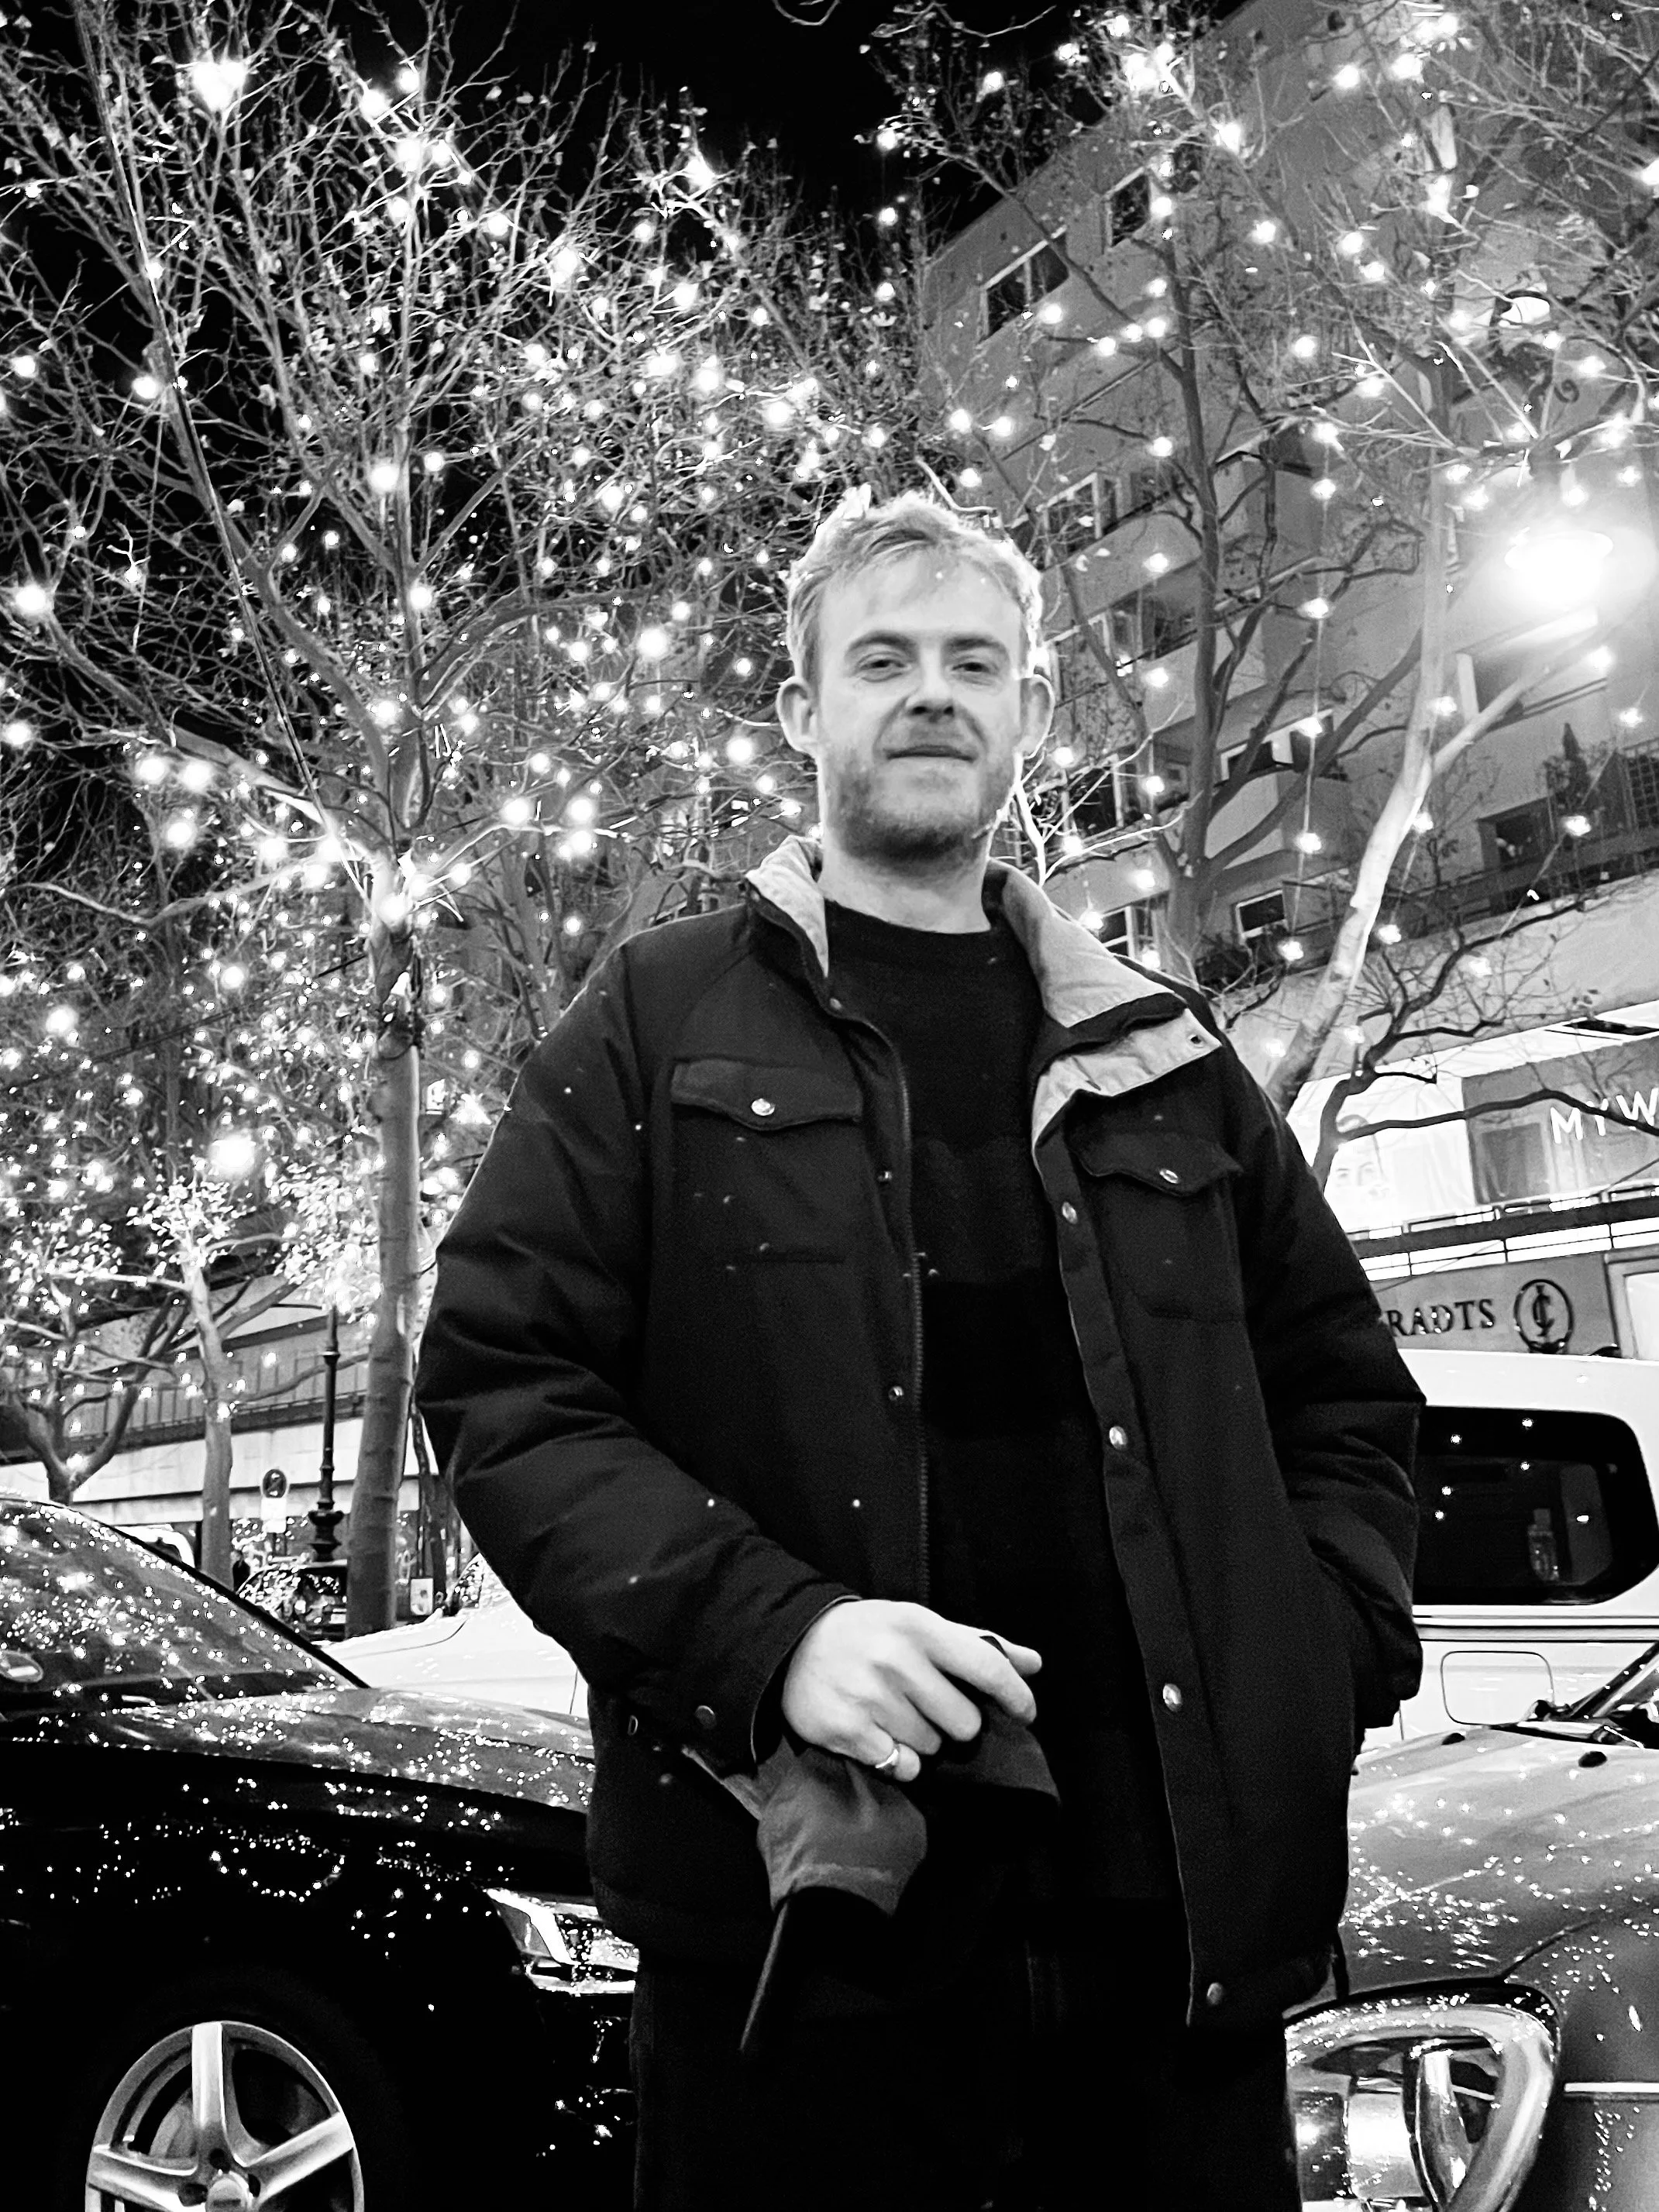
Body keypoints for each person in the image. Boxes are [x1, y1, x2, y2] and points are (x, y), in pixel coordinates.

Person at [415, 491, 1423, 2210]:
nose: (933, 693)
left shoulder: (1164, 1051)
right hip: (804, 1957)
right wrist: (771, 1635)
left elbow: (1344, 1395)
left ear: (1031, 708)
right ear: (801, 709)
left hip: (1172, 1961)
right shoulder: (656, 1015)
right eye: (882, 661)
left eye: (974, 661)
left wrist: (1311, 1657)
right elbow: (504, 1384)